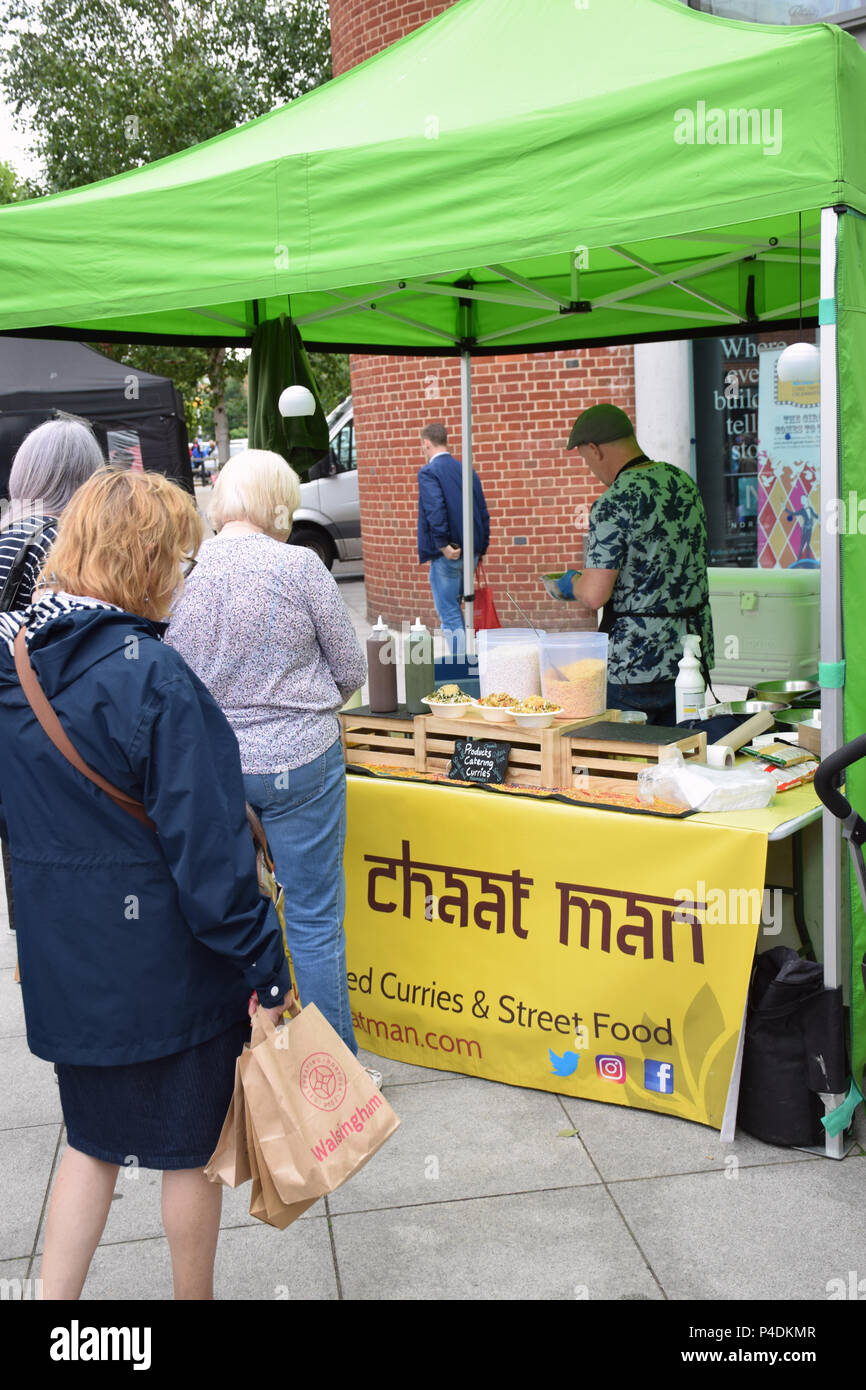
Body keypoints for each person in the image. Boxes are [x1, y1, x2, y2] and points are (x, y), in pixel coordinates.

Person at [0, 467, 293, 1300]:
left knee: (89, 1145)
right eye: (179, 560)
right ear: (144, 562)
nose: (183, 577)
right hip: (171, 974)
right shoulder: (153, 677)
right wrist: (263, 965)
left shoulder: (13, 668)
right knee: (188, 1154)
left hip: (68, 971)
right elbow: (211, 858)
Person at [166, 450, 369, 1067]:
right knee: (313, 919)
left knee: (232, 915)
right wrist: (303, 708)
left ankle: (240, 1057)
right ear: (280, 504)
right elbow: (352, 671)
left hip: (219, 771)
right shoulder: (299, 567)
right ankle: (333, 1070)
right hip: (302, 763)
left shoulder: (184, 580)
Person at [0, 416, 104, 933]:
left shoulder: (3, 534)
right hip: (50, 726)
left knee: (22, 856)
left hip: (9, 724)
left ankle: (33, 955)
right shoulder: (59, 544)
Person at [565, 403, 714, 726]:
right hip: (690, 653)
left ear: (595, 449)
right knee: (683, 756)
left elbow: (593, 595)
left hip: (636, 663)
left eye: (585, 458)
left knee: (627, 763)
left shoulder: (614, 501)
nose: (589, 467)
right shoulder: (683, 483)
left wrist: (571, 583)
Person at [417, 422, 490, 656]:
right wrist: (481, 549)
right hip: (471, 551)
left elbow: (435, 509)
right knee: (461, 609)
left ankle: (463, 666)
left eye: (422, 446)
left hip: (449, 553)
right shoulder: (467, 470)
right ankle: (472, 660)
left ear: (427, 443)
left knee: (449, 612)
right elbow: (483, 512)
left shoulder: (429, 472)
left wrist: (442, 545)